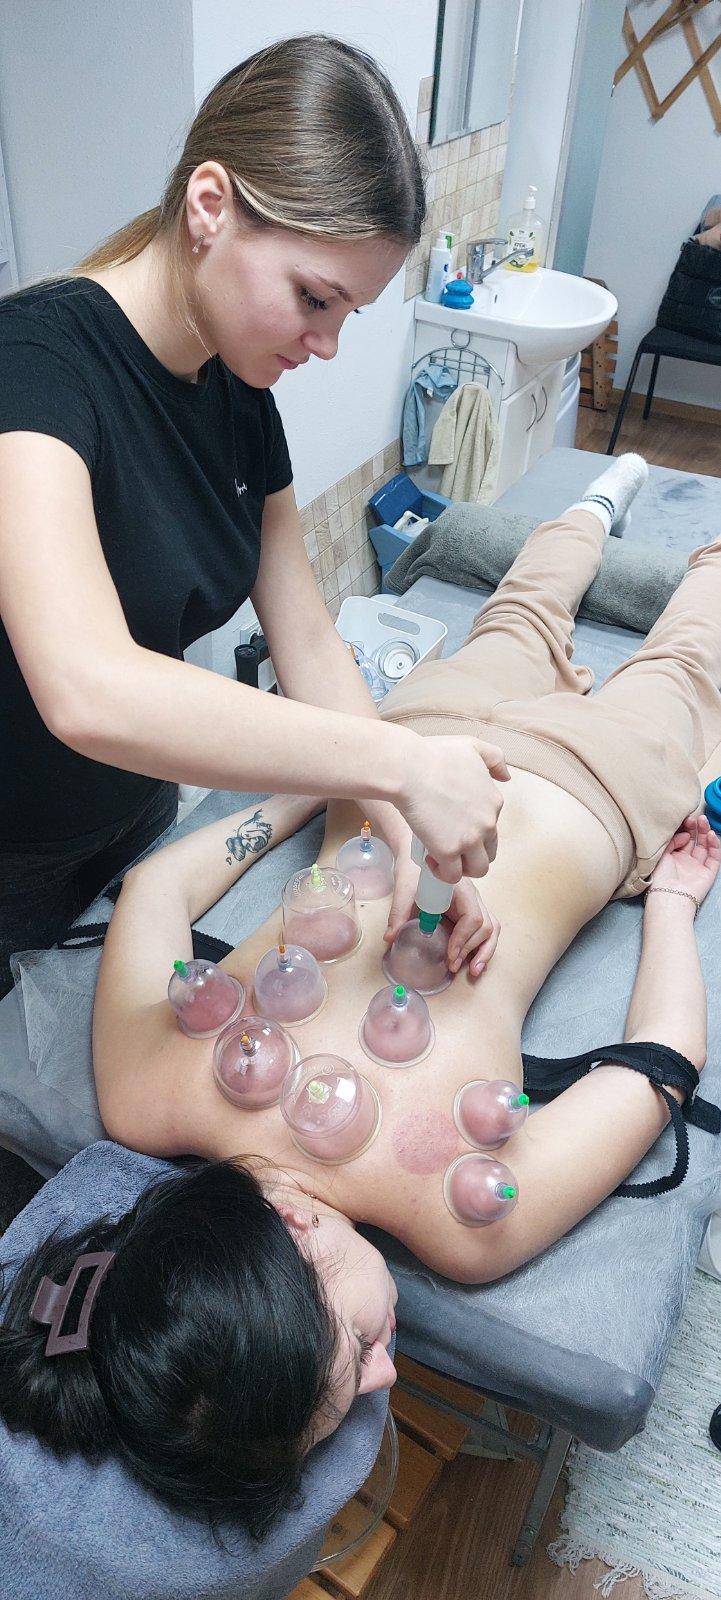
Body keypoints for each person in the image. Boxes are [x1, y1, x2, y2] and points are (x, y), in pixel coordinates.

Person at [2, 456, 720, 1527]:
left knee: (557, 620)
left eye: (359, 1347)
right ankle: (621, 512)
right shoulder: (154, 1095)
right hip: (498, 765)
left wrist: (327, 776)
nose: (387, 1370)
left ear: (294, 1226)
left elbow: (666, 1063)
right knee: (627, 638)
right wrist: (670, 897)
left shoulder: (454, 1219)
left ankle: (601, 498)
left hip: (448, 764)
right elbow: (658, 1065)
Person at [0, 33, 505, 1000]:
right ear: (209, 205)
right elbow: (87, 688)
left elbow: (306, 640)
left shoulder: (237, 393)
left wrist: (410, 839)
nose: (327, 343)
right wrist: (403, 766)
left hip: (135, 813)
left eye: (347, 312)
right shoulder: (33, 375)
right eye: (314, 298)